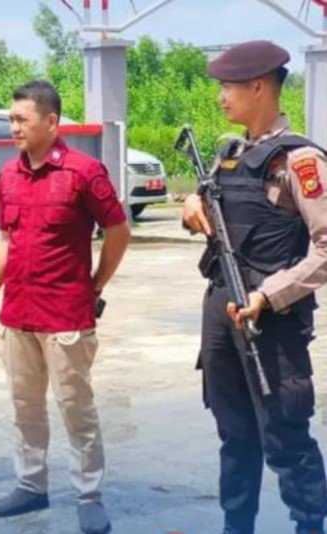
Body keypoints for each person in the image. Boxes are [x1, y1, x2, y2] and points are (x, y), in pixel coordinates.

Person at [182, 40, 327, 534]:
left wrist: (271, 293)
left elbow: (325, 247)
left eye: (228, 86)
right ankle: (236, 525)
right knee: (234, 434)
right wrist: (191, 207)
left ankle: (309, 525)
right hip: (222, 308)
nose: (221, 96)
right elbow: (208, 204)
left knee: (285, 436)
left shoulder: (299, 161)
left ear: (259, 86)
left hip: (272, 320)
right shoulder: (229, 152)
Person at [0, 80, 131, 534]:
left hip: (66, 315)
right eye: (11, 119)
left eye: (21, 119)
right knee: (24, 405)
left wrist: (94, 284)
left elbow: (118, 231)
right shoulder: (9, 175)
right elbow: (5, 239)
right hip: (18, 314)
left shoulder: (84, 172)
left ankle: (89, 495)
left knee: (76, 408)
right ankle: (31, 484)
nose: (14, 128)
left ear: (51, 121)